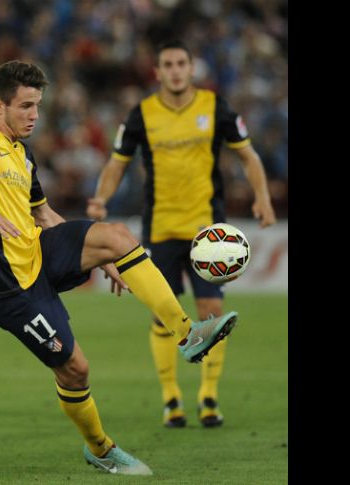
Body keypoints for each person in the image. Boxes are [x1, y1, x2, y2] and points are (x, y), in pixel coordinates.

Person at [0, 60, 239, 475]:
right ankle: (100, 449)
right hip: (6, 286)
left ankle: (187, 333)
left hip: (37, 253)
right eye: (25, 106)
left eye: (38, 106)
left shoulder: (22, 153)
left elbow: (44, 215)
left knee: (117, 237)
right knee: (75, 370)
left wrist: (104, 258)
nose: (34, 115)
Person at [86, 40, 276, 429]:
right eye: (167, 64)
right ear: (157, 72)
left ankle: (208, 396)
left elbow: (248, 155)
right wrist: (100, 199)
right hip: (159, 229)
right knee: (163, 316)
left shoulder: (215, 107)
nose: (174, 70)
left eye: (180, 64)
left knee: (213, 313)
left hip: (209, 235)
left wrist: (263, 197)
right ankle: (171, 397)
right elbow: (116, 163)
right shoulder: (142, 114)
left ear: (192, 69)